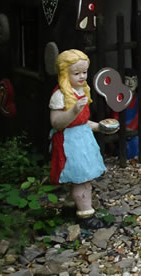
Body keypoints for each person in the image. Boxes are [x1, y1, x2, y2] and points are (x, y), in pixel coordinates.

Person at [49, 49, 110, 229]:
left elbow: (82, 122)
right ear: (65, 74)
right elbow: (56, 123)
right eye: (76, 73)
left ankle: (71, 206)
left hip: (83, 140)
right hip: (70, 143)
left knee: (83, 178)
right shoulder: (60, 95)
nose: (82, 76)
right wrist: (74, 110)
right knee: (82, 179)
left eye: (84, 72)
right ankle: (86, 216)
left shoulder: (81, 90)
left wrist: (100, 126)